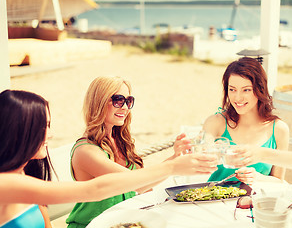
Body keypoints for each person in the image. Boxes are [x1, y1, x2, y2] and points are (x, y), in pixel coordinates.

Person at [0, 89, 217, 228]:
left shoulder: (25, 173)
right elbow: (95, 190)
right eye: (44, 126)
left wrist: (173, 162)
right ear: (21, 131)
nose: (52, 133)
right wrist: (172, 167)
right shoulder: (6, 183)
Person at [66, 76, 202, 227]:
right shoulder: (86, 151)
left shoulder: (119, 141)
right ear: (99, 103)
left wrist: (175, 158)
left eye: (128, 101)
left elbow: (144, 186)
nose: (124, 107)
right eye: (118, 100)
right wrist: (174, 166)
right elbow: (133, 182)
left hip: (121, 223)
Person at [202, 57, 289, 185]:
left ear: (259, 89)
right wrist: (211, 152)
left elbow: (278, 180)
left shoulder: (279, 129)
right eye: (232, 89)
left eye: (246, 90)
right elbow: (200, 157)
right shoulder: (216, 123)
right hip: (214, 200)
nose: (238, 98)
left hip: (256, 202)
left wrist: (257, 178)